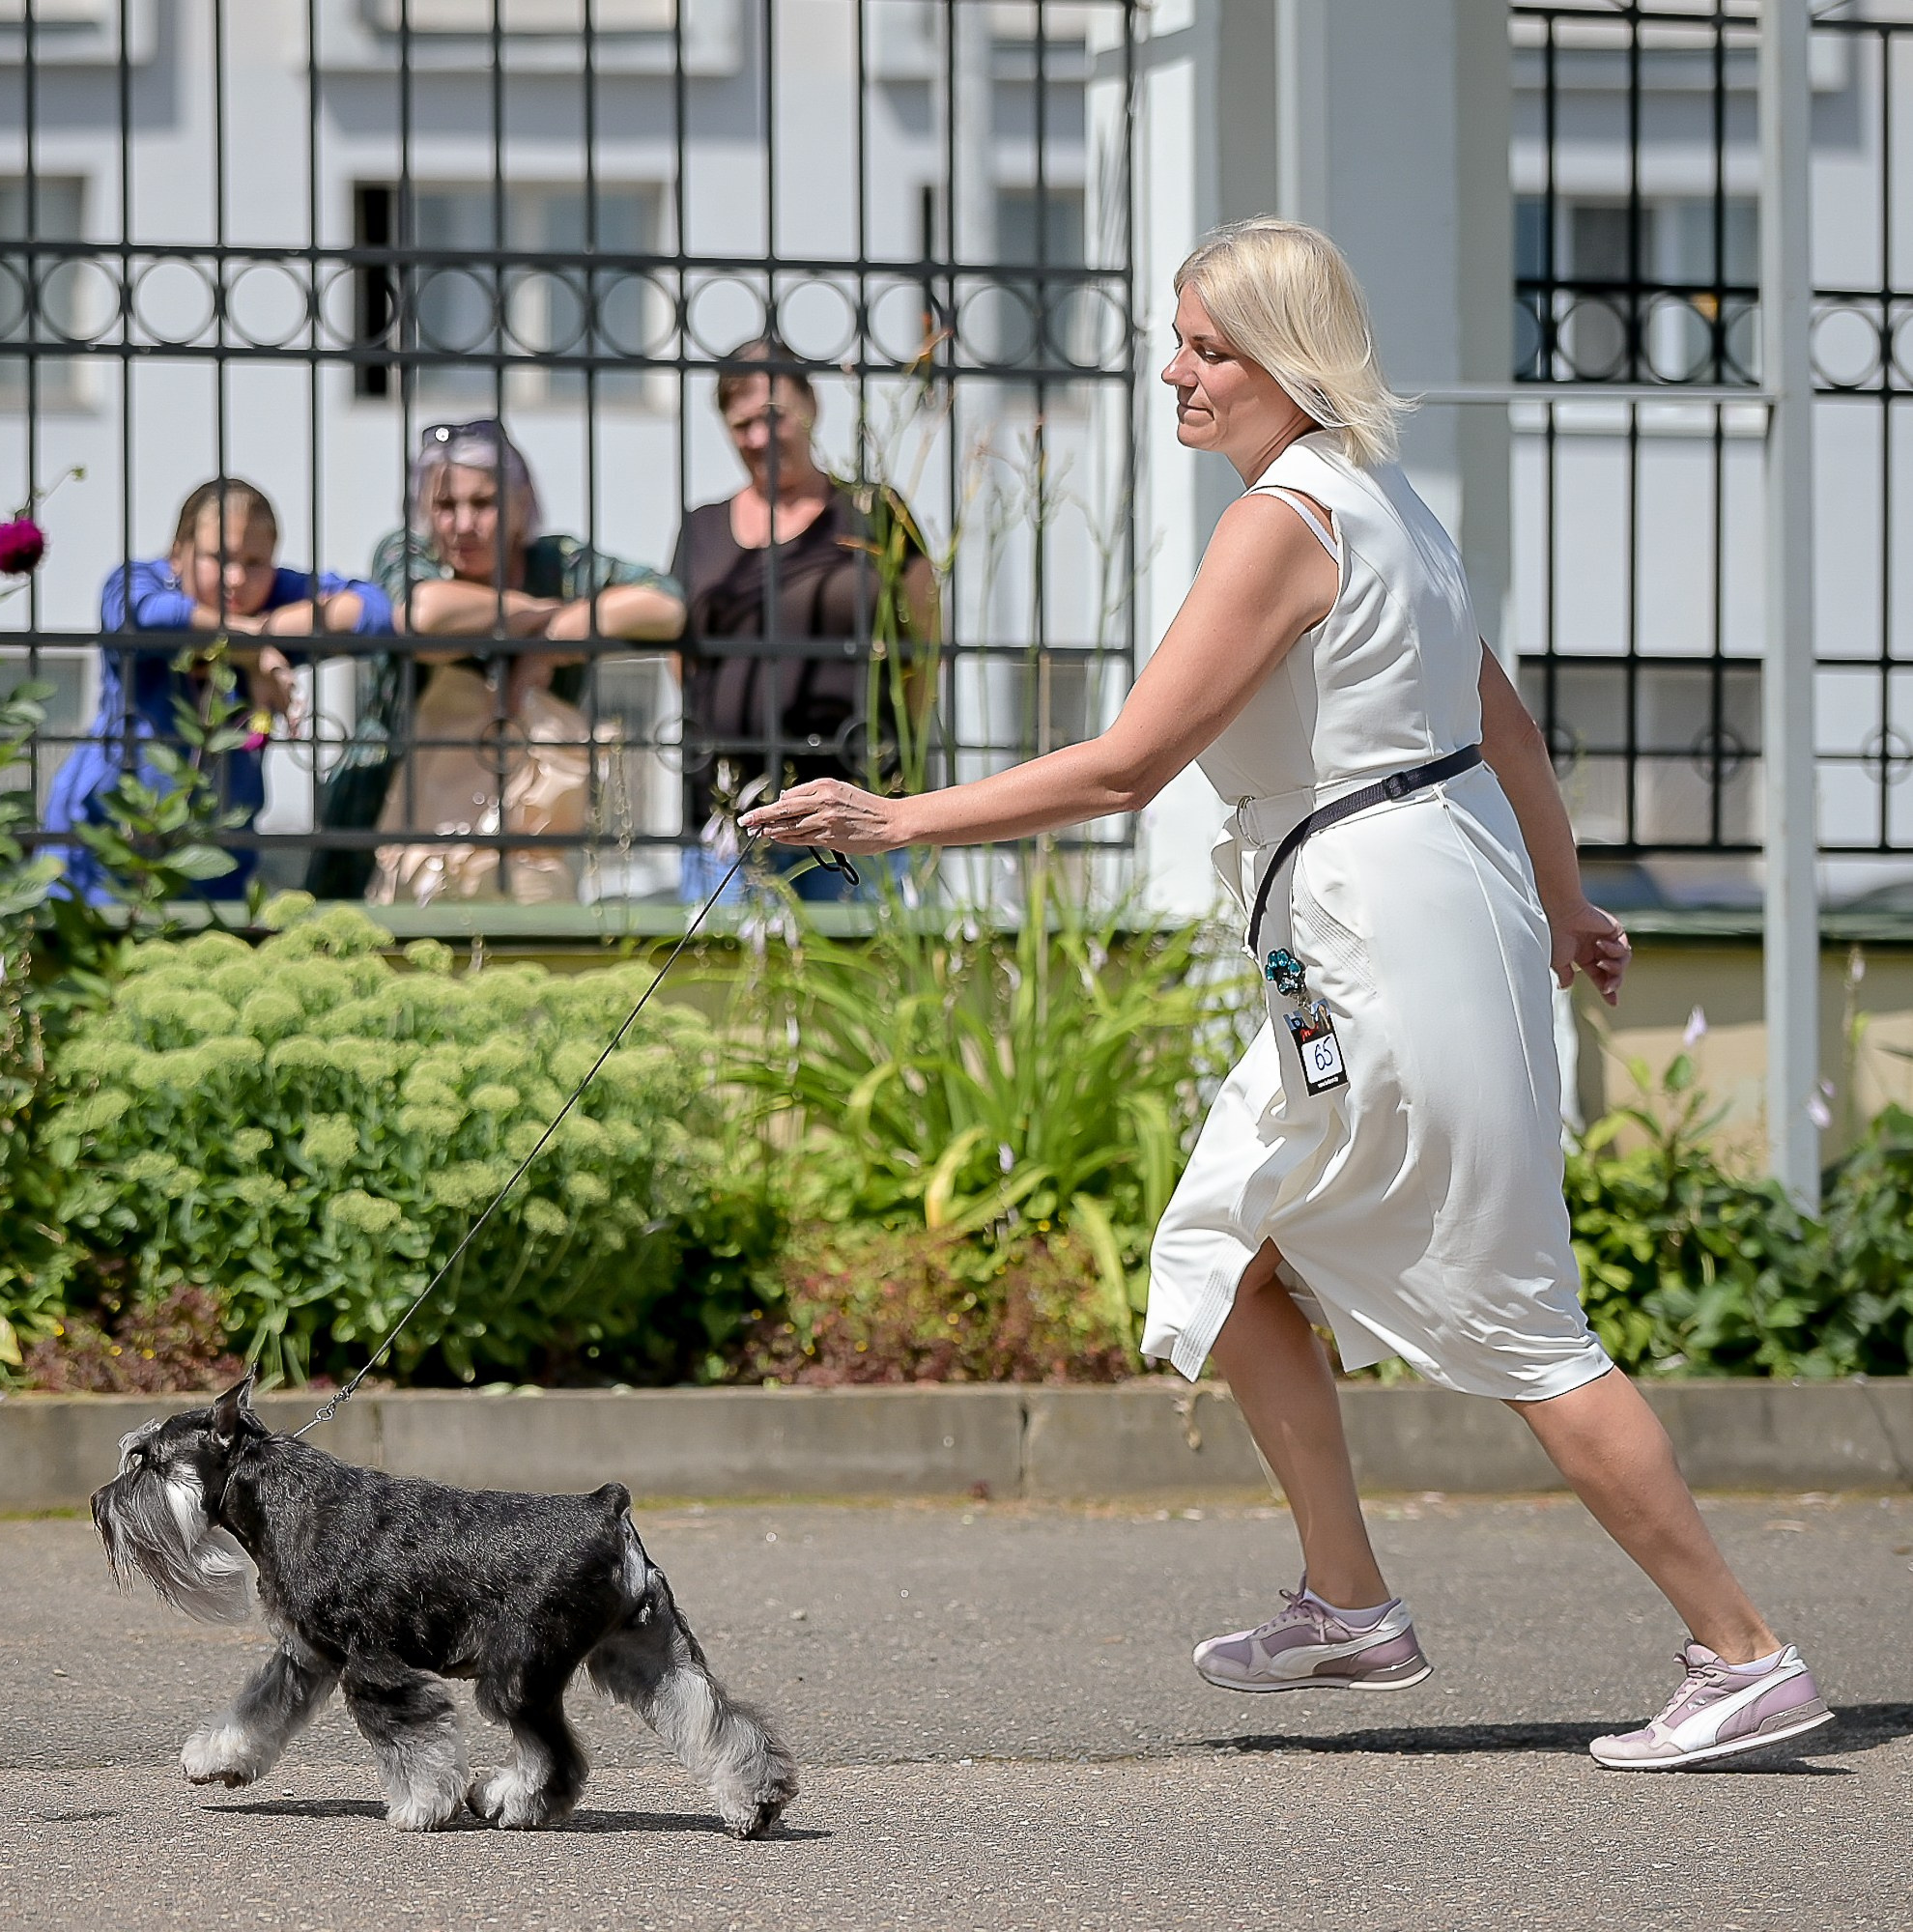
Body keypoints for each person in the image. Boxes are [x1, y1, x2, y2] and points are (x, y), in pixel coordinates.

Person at [744, 218, 1830, 1772]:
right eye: (1176, 340)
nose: (1175, 372)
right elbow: (1503, 724)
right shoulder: (1384, 503)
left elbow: (1128, 764)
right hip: (1387, 922)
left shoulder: (1282, 521)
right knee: (1227, 1248)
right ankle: (1350, 1605)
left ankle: (1744, 1653)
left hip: (1389, 937)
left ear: (1286, 363)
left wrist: (895, 817)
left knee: (1521, 1321)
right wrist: (1567, 895)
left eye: (1207, 346)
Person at [307, 419, 683, 901]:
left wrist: (553, 638)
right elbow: (423, 615)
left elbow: (665, 605)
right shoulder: (406, 553)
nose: (463, 524)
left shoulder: (558, 564)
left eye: (483, 504)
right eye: (445, 506)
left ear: (522, 506)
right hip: (390, 831)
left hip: (527, 832)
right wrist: (540, 613)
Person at [674, 339, 937, 901]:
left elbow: (928, 640)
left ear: (810, 407)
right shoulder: (700, 529)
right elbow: (685, 660)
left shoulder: (873, 512)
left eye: (773, 417)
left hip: (859, 811)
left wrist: (900, 757)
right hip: (730, 817)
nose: (759, 438)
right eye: (741, 424)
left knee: (863, 981)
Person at [45, 478, 391, 902]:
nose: (237, 578)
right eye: (218, 557)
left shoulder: (276, 597)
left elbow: (373, 612)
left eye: (256, 562)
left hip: (216, 877)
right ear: (178, 554)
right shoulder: (138, 581)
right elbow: (141, 618)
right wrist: (252, 648)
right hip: (101, 862)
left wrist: (256, 638)